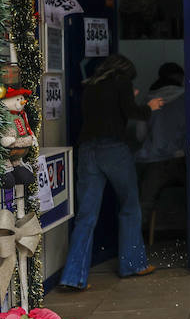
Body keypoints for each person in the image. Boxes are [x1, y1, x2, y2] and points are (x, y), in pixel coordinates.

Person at [61, 55, 164, 289]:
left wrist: (127, 99)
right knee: (130, 206)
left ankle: (73, 276)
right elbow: (130, 113)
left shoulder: (91, 85)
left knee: (86, 215)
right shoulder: (122, 82)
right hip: (114, 150)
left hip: (87, 151)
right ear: (125, 71)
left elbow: (105, 112)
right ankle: (133, 264)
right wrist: (150, 107)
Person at [135, 62, 188, 229]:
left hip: (154, 161)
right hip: (181, 160)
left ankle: (140, 242)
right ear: (179, 77)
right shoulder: (187, 98)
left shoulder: (148, 99)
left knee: (145, 203)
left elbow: (140, 135)